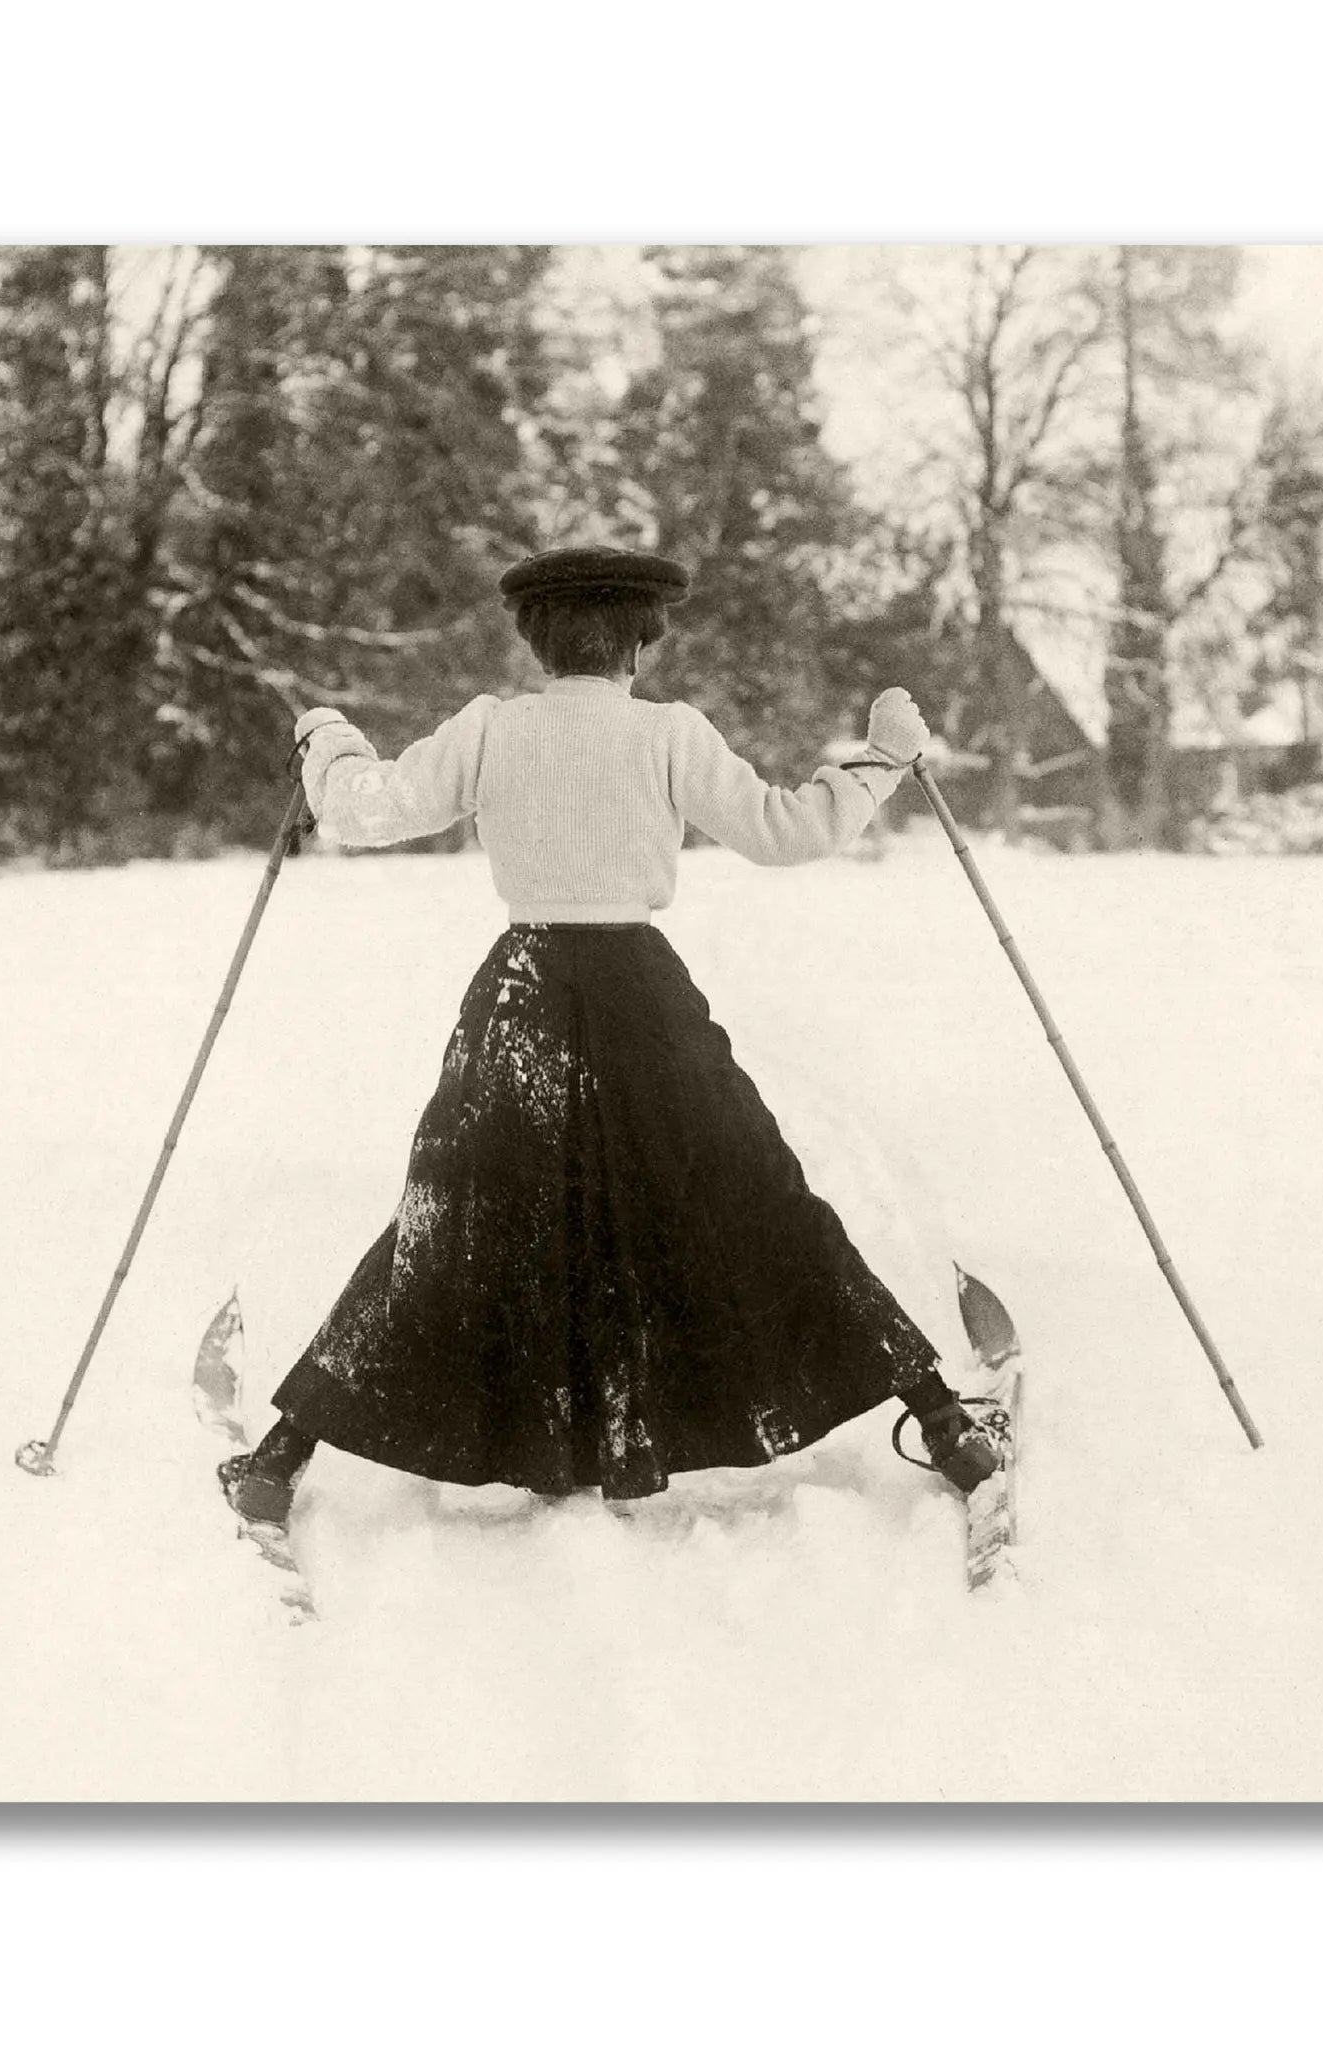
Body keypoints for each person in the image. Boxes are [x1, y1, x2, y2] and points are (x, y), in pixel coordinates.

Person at [220, 545, 1000, 1537]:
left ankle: (279, 1458)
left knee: (451, 1219)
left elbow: (362, 812)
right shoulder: (668, 734)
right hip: (643, 1000)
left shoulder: (492, 728)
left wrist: (326, 739)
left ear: (536, 643)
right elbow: (787, 832)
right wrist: (881, 760)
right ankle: (941, 1423)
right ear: (640, 642)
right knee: (753, 1190)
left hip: (523, 997)